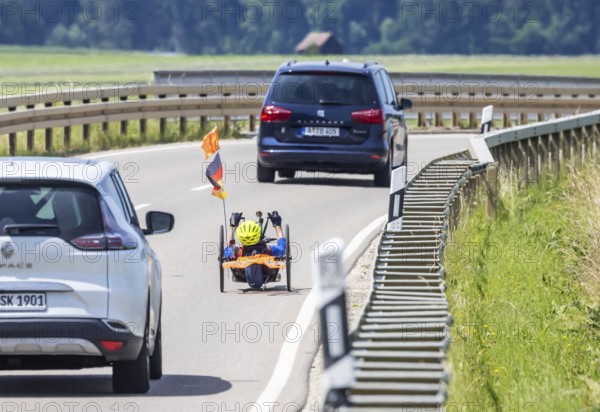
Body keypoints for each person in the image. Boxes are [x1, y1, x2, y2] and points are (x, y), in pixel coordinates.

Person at [224, 211, 286, 289]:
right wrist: (277, 224)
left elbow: (229, 242)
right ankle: (277, 223)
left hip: (242, 276)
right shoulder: (269, 250)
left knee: (229, 252)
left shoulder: (237, 253)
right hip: (266, 275)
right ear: (258, 235)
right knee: (281, 249)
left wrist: (232, 226)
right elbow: (282, 248)